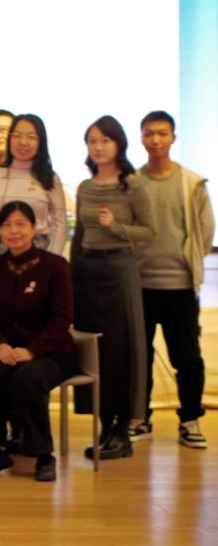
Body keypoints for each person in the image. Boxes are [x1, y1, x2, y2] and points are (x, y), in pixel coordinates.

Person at [0, 202, 79, 482]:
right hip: (9, 350)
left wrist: (32, 351)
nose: (14, 231)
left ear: (34, 228)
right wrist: (0, 345)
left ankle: (43, 454)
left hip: (54, 352)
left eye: (21, 224)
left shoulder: (55, 266)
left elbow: (62, 319)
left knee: (28, 376)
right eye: (7, 224)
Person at [72, 116, 155, 461]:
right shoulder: (85, 187)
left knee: (122, 350)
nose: (98, 147)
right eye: (92, 141)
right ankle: (105, 427)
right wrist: (72, 276)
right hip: (88, 272)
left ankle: (123, 432)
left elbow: (149, 233)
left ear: (119, 144)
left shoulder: (133, 186)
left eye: (105, 140)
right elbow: (79, 235)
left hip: (120, 270)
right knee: (95, 351)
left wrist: (115, 227)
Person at [134, 110, 212, 448]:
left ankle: (190, 420)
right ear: (141, 138)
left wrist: (184, 261)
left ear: (173, 138)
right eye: (149, 133)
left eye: (162, 133)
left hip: (179, 285)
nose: (155, 140)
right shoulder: (132, 182)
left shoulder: (191, 183)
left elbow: (205, 232)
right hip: (139, 285)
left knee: (187, 358)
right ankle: (139, 418)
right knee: (139, 357)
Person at [0, 114, 67, 281]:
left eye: (31, 136)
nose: (23, 142)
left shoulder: (50, 178)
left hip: (39, 253)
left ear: (41, 142)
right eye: (17, 135)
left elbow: (60, 227)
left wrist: (49, 267)